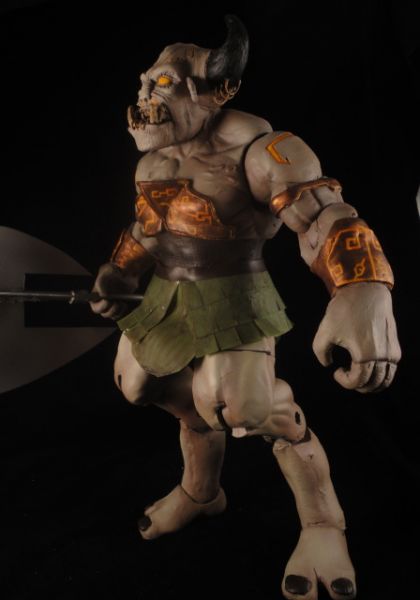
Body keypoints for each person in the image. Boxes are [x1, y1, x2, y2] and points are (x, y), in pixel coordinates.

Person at [91, 15, 401, 600]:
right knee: (139, 384)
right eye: (144, 83)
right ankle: (202, 492)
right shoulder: (152, 161)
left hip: (235, 292)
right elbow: (147, 228)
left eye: (162, 84)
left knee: (242, 408)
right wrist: (120, 269)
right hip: (167, 293)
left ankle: (322, 523)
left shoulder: (262, 149)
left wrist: (362, 286)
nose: (145, 96)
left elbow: (323, 213)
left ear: (214, 91)